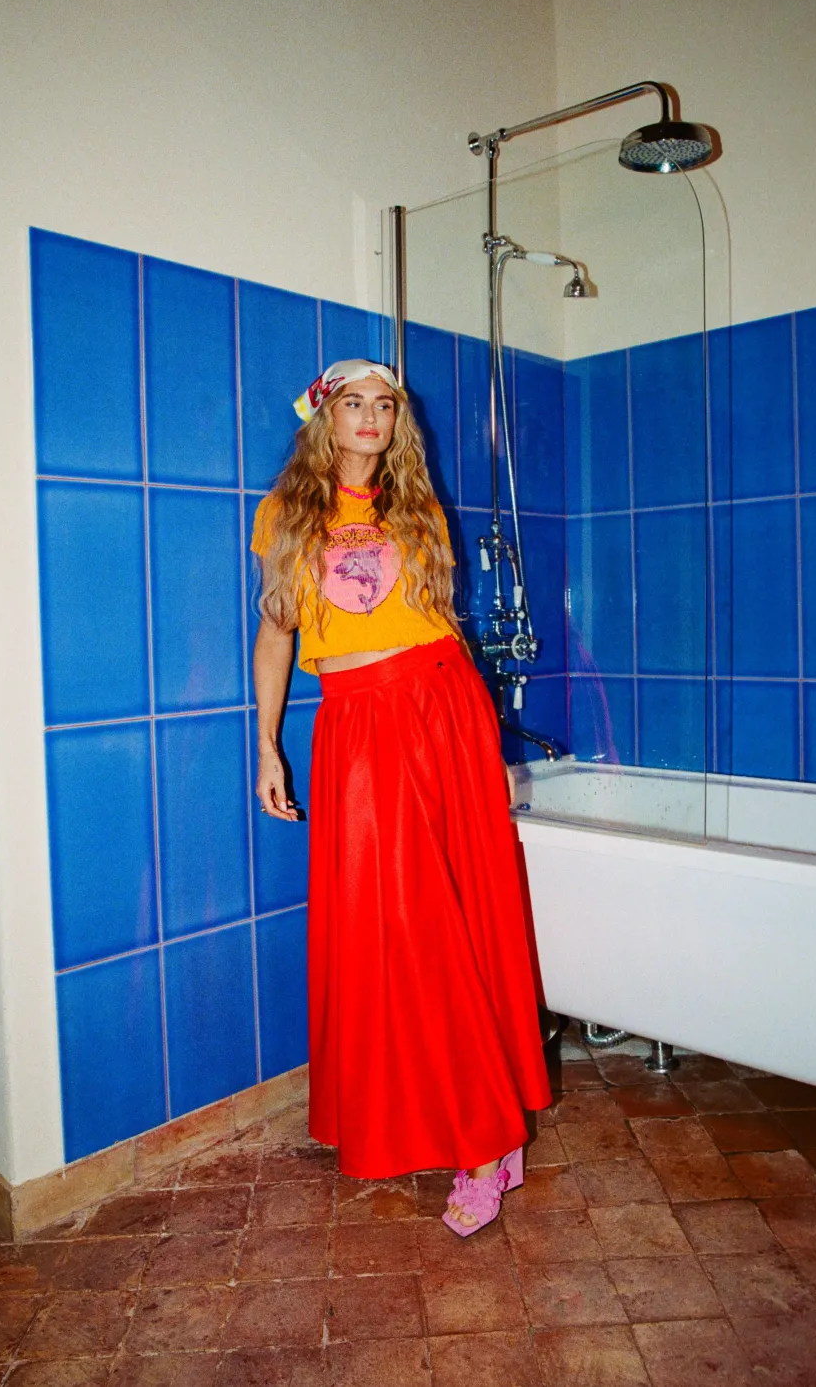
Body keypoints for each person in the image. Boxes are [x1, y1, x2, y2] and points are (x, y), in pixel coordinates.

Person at [251, 358, 551, 1236]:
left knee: (448, 919)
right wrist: (266, 744)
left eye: (385, 405)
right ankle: (442, 1115)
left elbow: (438, 626)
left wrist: (472, 736)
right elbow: (276, 635)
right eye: (355, 403)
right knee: (387, 926)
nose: (372, 417)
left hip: (439, 709)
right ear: (326, 418)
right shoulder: (284, 514)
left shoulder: (418, 509)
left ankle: (487, 1140)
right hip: (352, 722)